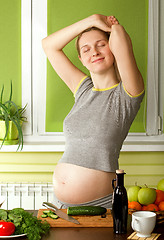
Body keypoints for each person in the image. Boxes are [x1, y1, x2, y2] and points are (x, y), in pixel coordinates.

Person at [42, 14, 144, 209]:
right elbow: (49, 45)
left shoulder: (127, 94)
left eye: (101, 44)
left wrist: (113, 26)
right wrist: (92, 20)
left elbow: (122, 42)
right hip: (59, 206)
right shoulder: (83, 90)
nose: (94, 52)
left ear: (112, 47)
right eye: (86, 49)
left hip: (99, 207)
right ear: (81, 59)